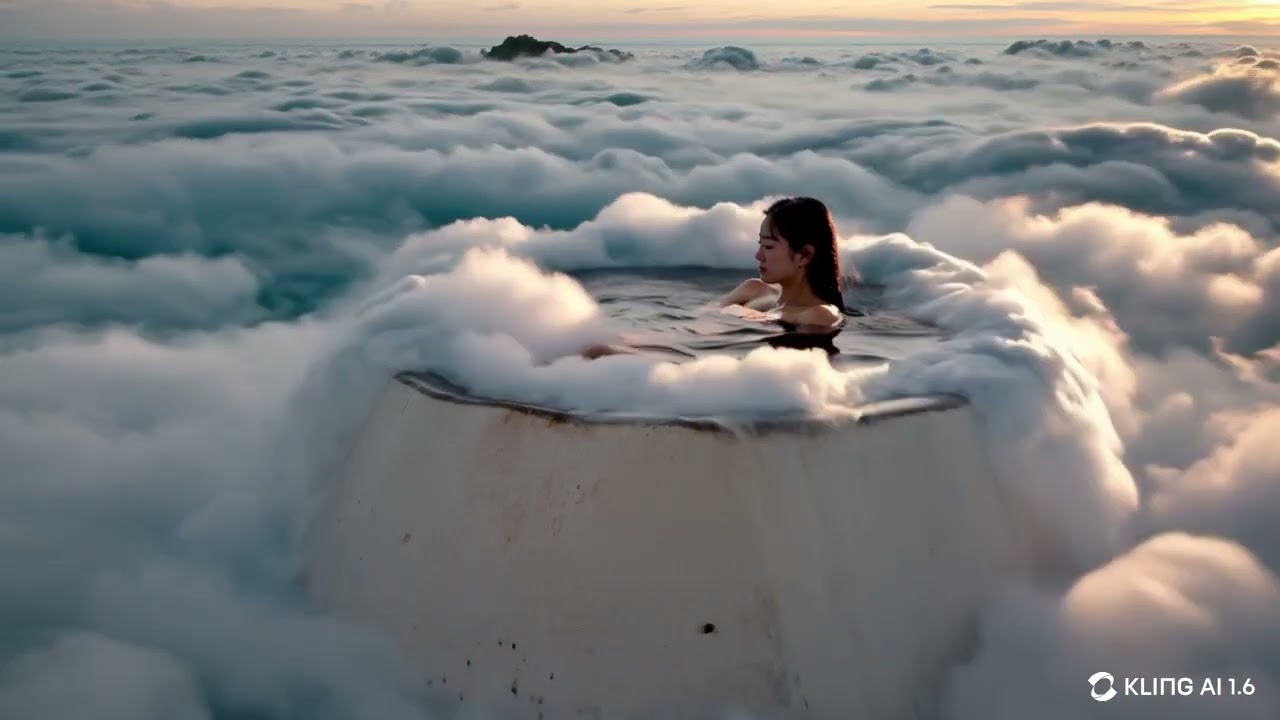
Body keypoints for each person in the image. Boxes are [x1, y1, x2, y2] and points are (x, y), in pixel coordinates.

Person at [581, 196, 858, 359]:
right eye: (760, 244)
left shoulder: (820, 314)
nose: (758, 256)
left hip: (727, 375)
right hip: (698, 352)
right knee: (593, 347)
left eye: (769, 247)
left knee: (597, 352)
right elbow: (695, 324)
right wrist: (638, 339)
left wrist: (749, 316)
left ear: (804, 255)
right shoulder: (754, 291)